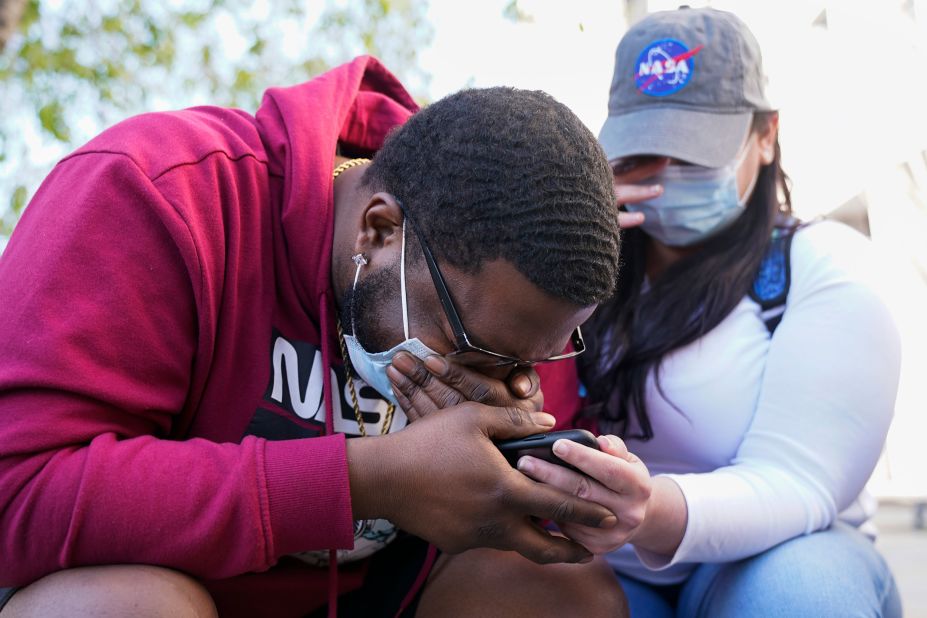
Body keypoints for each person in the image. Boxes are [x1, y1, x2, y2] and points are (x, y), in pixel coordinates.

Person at [0, 56, 631, 617]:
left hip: (373, 596)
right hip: (183, 589)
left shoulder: (504, 291)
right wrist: (369, 480)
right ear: (379, 233)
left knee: (568, 595)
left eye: (533, 359)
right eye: (476, 350)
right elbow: (18, 493)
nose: (505, 378)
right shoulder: (164, 192)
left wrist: (572, 497)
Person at [507, 7, 903, 617]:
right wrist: (561, 245)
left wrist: (646, 510)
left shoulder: (823, 265)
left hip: (775, 558)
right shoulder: (597, 259)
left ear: (766, 134)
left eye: (694, 154)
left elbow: (800, 484)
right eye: (641, 154)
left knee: (801, 598)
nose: (666, 176)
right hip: (602, 569)